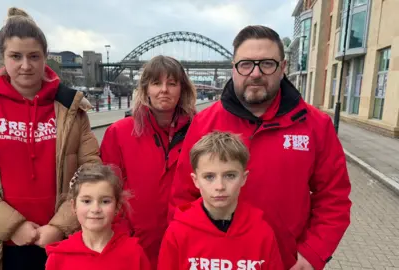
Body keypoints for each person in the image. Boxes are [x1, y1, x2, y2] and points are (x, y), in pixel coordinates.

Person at [171, 25, 352, 270]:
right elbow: (182, 196)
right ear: (233, 68)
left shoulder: (316, 126)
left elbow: (334, 198)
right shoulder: (205, 123)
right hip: (217, 261)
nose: (255, 74)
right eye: (246, 64)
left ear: (283, 68)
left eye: (267, 64)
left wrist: (312, 254)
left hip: (287, 263)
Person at [0, 7, 100, 270]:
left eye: (34, 56)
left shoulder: (70, 109)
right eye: (15, 56)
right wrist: (12, 226)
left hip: (59, 244)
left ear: (45, 58)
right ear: (2, 58)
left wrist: (61, 226)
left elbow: (91, 171)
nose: (26, 66)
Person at [100, 55, 197, 269]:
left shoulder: (199, 132)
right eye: (156, 83)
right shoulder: (119, 133)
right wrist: (124, 236)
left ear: (182, 89)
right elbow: (107, 191)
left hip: (185, 245)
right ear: (145, 89)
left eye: (172, 83)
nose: (164, 89)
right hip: (134, 247)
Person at [158, 132, 283, 270]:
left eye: (230, 175)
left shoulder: (262, 232)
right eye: (209, 177)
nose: (220, 187)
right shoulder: (178, 232)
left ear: (244, 178)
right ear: (195, 180)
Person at [45, 164, 151, 270]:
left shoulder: (134, 253)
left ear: (117, 206)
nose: (95, 209)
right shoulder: (58, 258)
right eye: (87, 201)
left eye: (105, 201)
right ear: (73, 206)